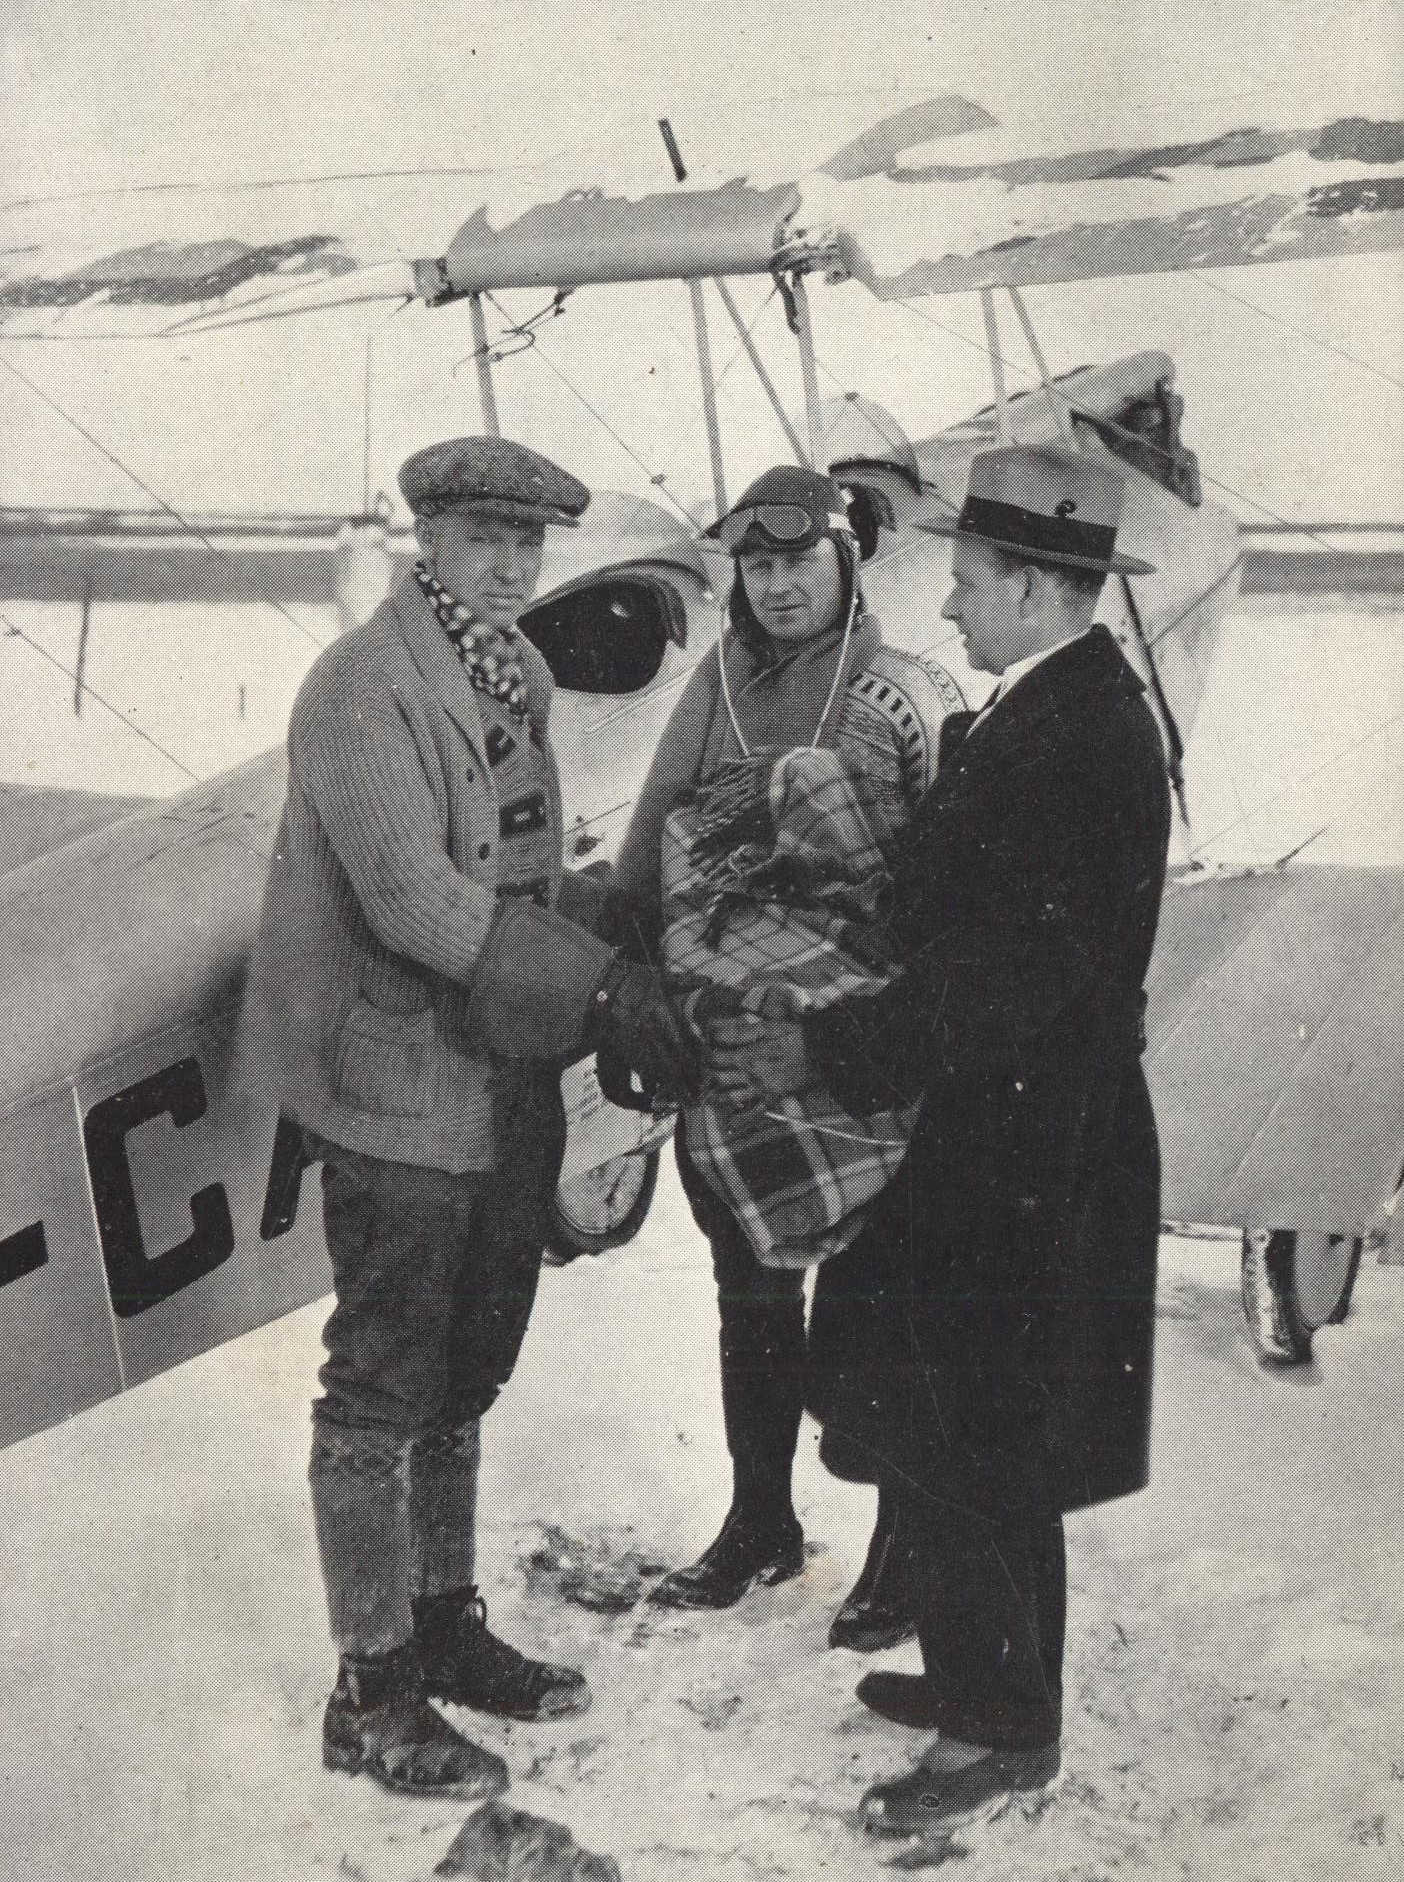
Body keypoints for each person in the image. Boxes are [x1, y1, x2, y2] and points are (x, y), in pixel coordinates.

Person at [714, 443, 1172, 1833]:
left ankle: (995, 1732)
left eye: (972, 583)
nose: (955, 608)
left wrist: (817, 1041)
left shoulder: (1073, 739)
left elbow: (1005, 985)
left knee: (969, 1439)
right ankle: (990, 1679)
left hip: (1019, 1160)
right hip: (1010, 1147)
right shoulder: (1051, 711)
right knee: (982, 1441)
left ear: (1036, 586)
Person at [251, 435, 697, 1801]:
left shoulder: (515, 669)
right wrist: (602, 989)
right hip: (393, 1083)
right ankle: (370, 1689)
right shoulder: (360, 690)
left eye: (529, 544)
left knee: (468, 1364)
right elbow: (415, 901)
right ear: (425, 541)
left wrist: (614, 952)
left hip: (490, 1070)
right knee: (383, 1384)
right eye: (486, 539)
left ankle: (441, 1620)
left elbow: (518, 869)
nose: (512, 566)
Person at [606, 464, 963, 1641]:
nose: (778, 584)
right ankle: (760, 1520)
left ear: (845, 562)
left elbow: (953, 874)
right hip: (730, 1039)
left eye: (798, 562)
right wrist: (635, 993)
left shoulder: (901, 687)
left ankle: (906, 1545)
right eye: (757, 566)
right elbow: (647, 842)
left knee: (890, 1290)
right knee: (746, 1289)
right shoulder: (712, 688)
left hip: (859, 1043)